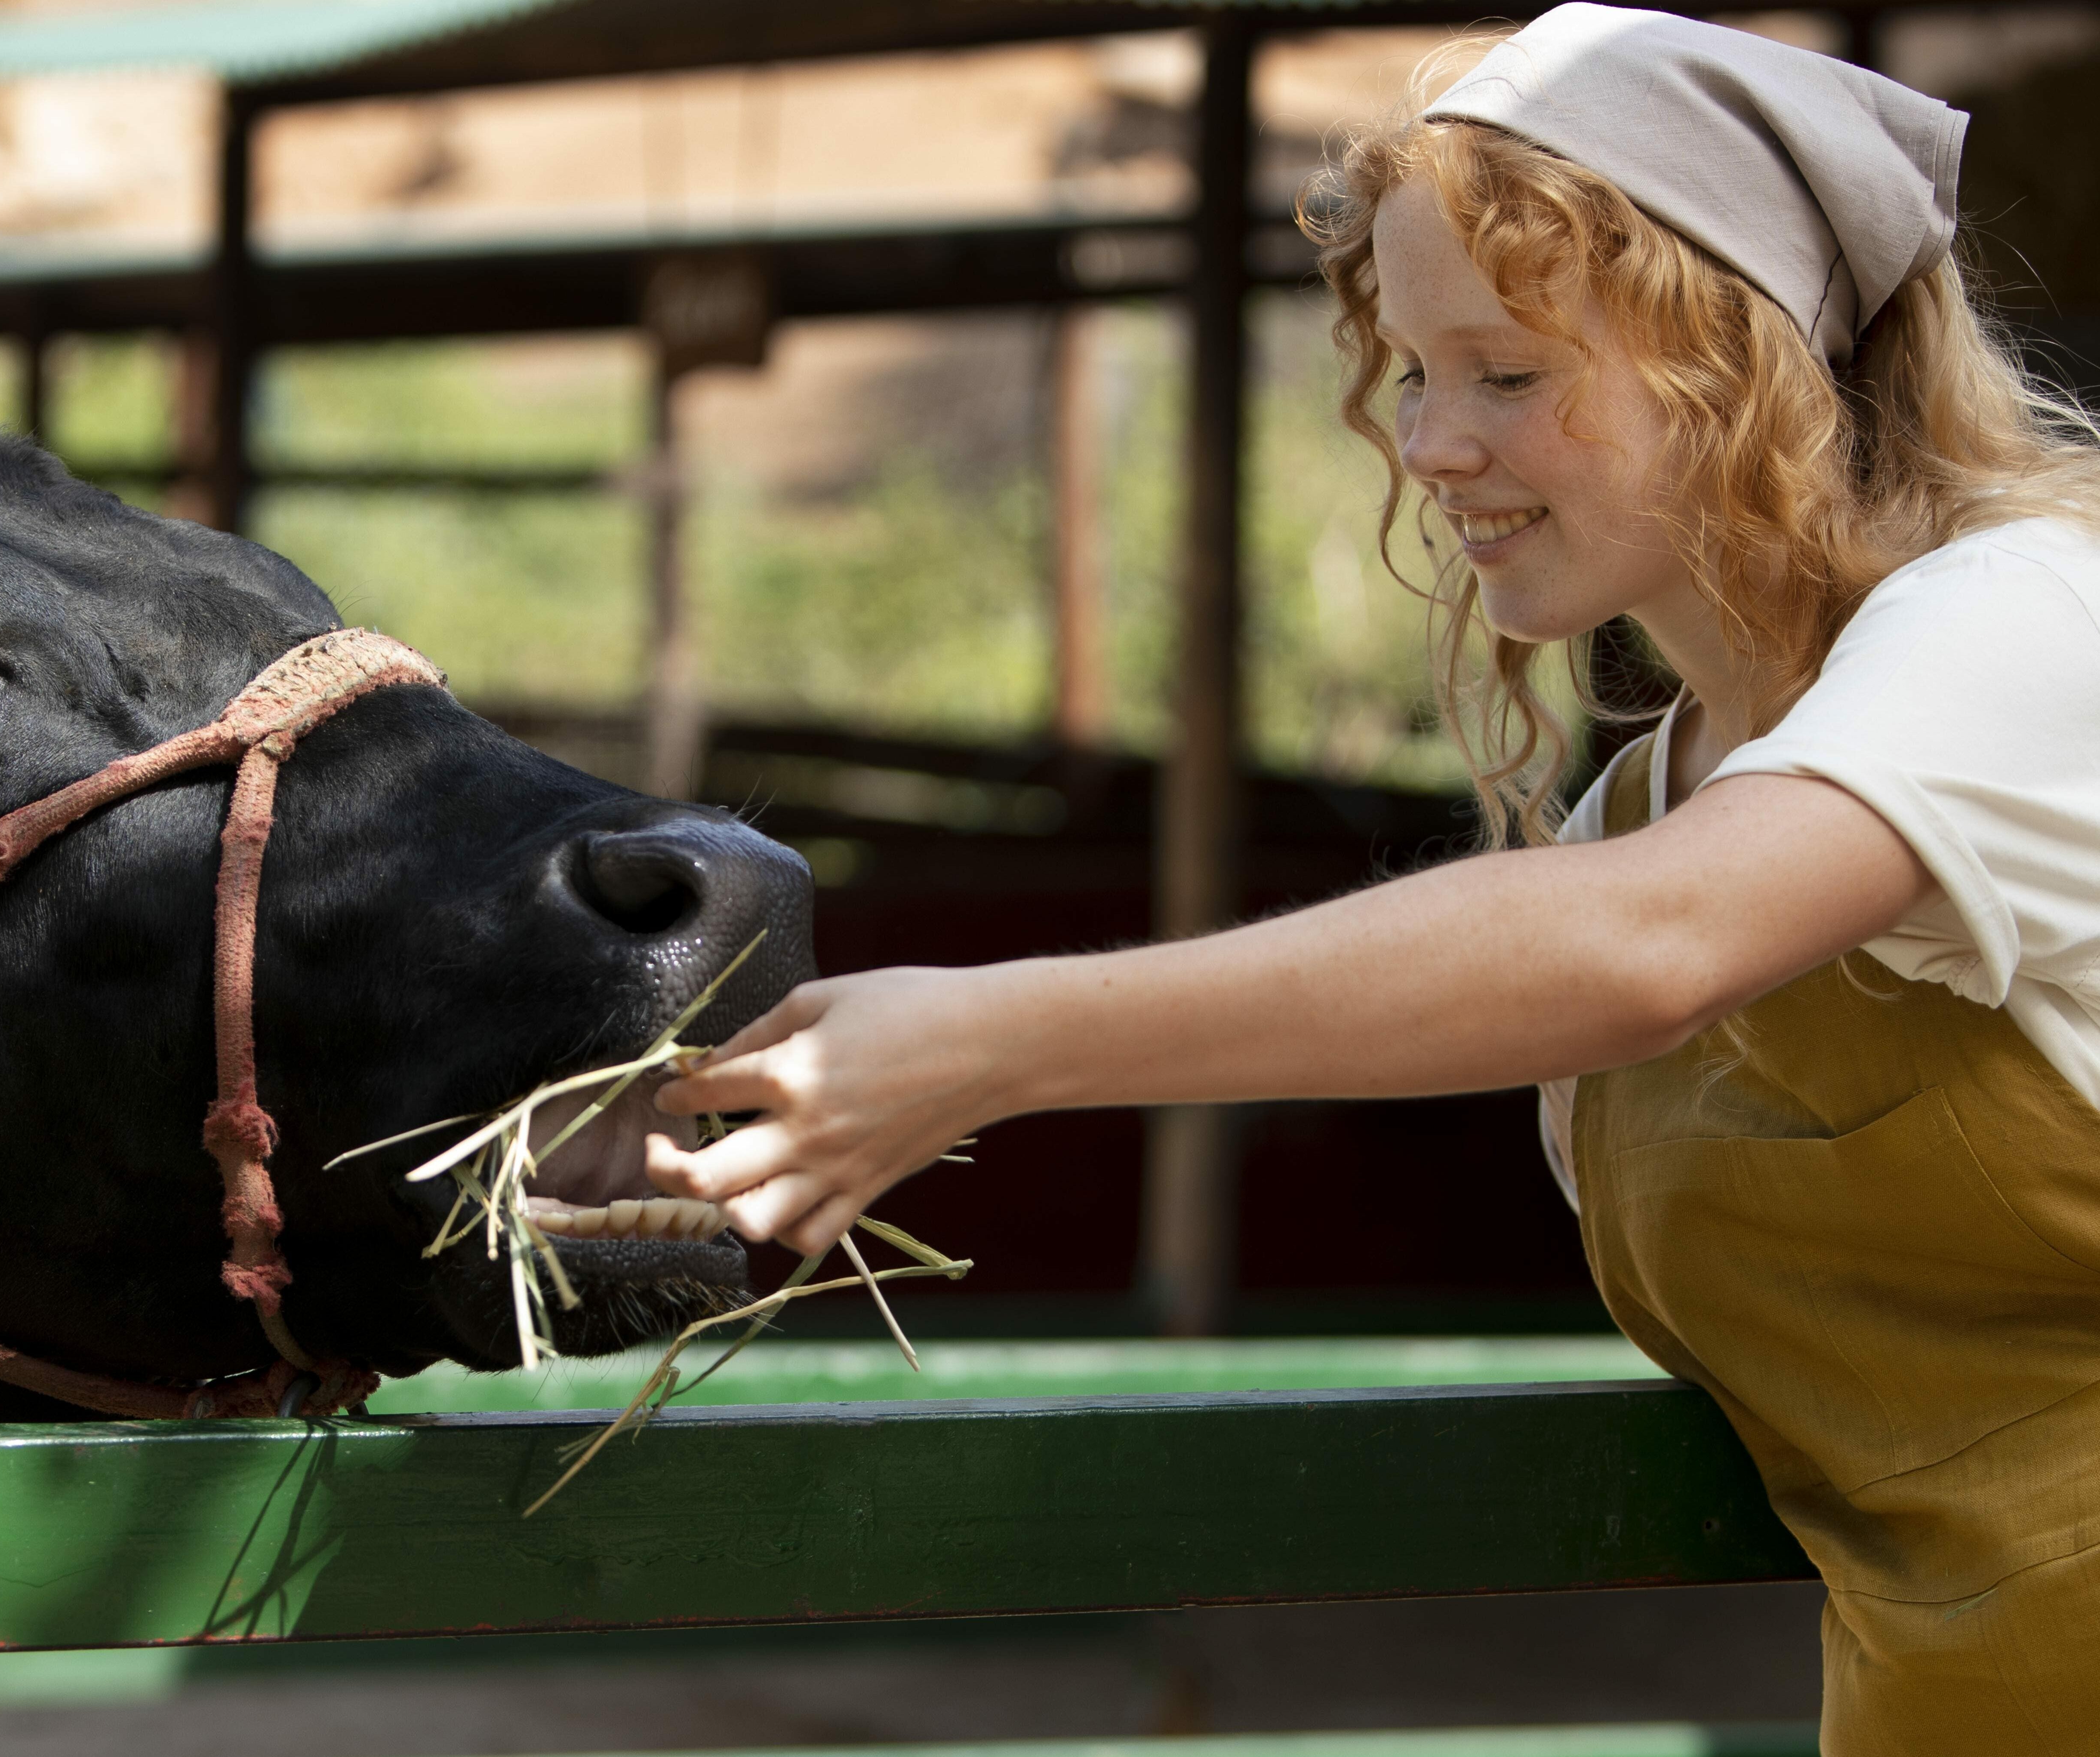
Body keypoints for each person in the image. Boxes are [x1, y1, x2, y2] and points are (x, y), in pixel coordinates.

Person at [643, 6, 2100, 1745]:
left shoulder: (2019, 622)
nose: (1425, 446)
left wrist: (991, 1037)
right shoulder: (1634, 807)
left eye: (1509, 371)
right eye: (1415, 370)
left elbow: (1651, 941)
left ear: (1746, 362)